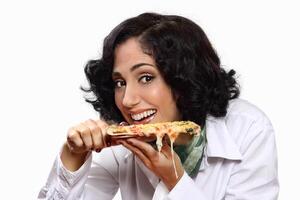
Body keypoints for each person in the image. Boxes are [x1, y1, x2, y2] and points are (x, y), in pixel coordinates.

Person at [38, 12, 279, 200]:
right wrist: (73, 155)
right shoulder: (120, 142)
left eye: (146, 77)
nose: (127, 100)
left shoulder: (249, 129)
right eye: (119, 82)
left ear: (183, 77)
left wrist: (175, 180)